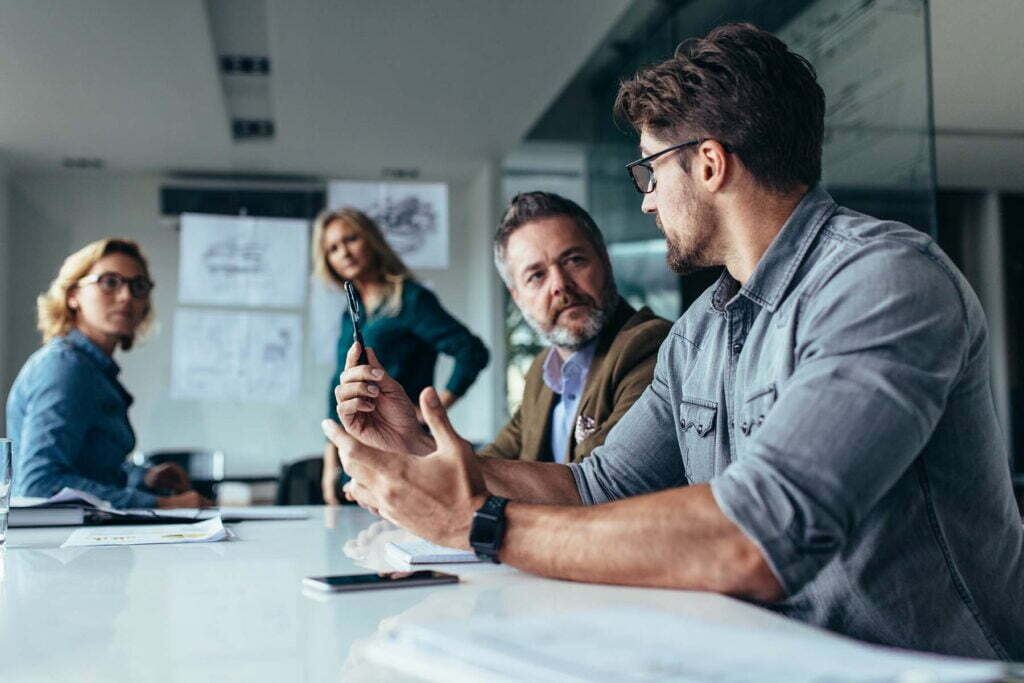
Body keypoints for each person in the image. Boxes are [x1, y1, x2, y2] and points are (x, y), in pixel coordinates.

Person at [323, 23, 1024, 660]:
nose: (648, 199)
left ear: (711, 164)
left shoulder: (883, 281)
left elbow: (755, 535)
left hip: (935, 669)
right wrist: (417, 444)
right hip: (777, 656)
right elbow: (593, 486)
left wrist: (482, 524)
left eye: (651, 171)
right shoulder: (700, 333)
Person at [337, 192, 670, 466]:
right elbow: (490, 466)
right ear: (517, 295)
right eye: (536, 276)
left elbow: (595, 483)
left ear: (605, 262)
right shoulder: (543, 371)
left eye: (574, 260)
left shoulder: (650, 348)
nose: (559, 286)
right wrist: (407, 441)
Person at [6, 238, 212, 509]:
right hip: (61, 548)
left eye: (138, 286)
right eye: (109, 282)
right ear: (73, 295)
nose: (126, 296)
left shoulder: (93, 370)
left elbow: (88, 470)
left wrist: (144, 478)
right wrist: (160, 504)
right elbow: (39, 486)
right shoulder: (66, 367)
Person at [312, 208, 489, 504]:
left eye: (350, 239)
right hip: (353, 459)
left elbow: (471, 351)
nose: (344, 252)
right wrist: (331, 463)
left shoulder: (411, 299)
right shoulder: (350, 313)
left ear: (370, 239)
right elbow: (339, 386)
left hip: (400, 452)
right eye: (332, 248)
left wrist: (431, 411)